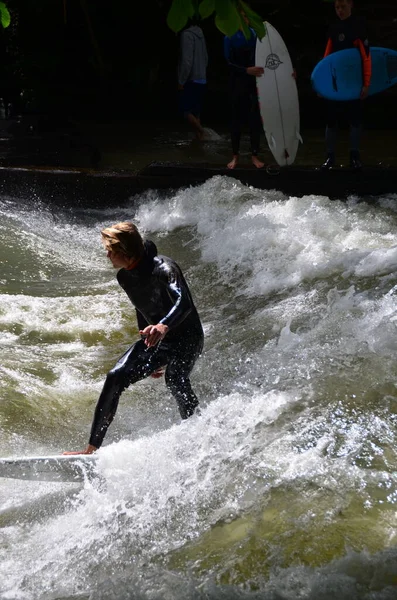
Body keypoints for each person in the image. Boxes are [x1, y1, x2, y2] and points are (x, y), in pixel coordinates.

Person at [64, 222, 204, 455]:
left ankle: (198, 434)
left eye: (110, 250)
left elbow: (185, 303)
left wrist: (163, 326)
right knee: (115, 377)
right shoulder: (125, 277)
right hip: (159, 338)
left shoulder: (165, 268)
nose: (107, 254)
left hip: (188, 337)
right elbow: (142, 307)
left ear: (124, 251)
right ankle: (91, 449)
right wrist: (151, 342)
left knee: (175, 379)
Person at [320, 0, 371, 170]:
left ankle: (355, 157)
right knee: (331, 121)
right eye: (337, 7)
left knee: (355, 121)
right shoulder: (333, 28)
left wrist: (366, 83)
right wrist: (322, 83)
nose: (340, 10)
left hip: (353, 82)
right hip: (336, 84)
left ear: (351, 5)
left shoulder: (359, 27)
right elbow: (327, 58)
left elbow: (366, 57)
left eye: (343, 7)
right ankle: (330, 158)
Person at [224, 10, 265, 170]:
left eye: (246, 17)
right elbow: (227, 63)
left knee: (254, 119)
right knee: (236, 119)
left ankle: (255, 155)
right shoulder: (229, 37)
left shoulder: (256, 36)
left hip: (254, 83)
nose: (244, 19)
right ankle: (235, 156)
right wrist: (246, 70)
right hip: (237, 82)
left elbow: (267, 57)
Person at [178, 17, 208, 141]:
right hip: (202, 78)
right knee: (196, 112)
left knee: (186, 111)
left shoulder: (187, 35)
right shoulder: (201, 35)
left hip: (191, 78)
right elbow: (206, 57)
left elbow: (187, 60)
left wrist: (181, 80)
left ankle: (203, 132)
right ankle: (199, 140)